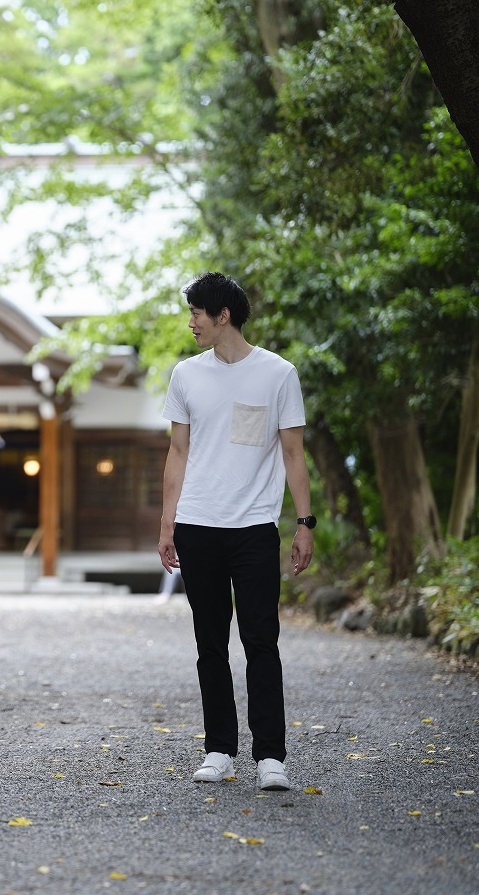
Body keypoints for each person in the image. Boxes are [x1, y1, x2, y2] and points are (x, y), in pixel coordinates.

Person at [157, 272, 313, 792]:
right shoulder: (185, 375)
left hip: (253, 527)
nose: (191, 321)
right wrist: (168, 523)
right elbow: (177, 453)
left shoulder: (277, 374)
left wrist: (304, 523)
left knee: (261, 642)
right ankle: (219, 749)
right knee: (209, 644)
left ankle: (272, 757)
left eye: (198, 312)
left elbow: (293, 453)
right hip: (198, 525)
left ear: (223, 315)